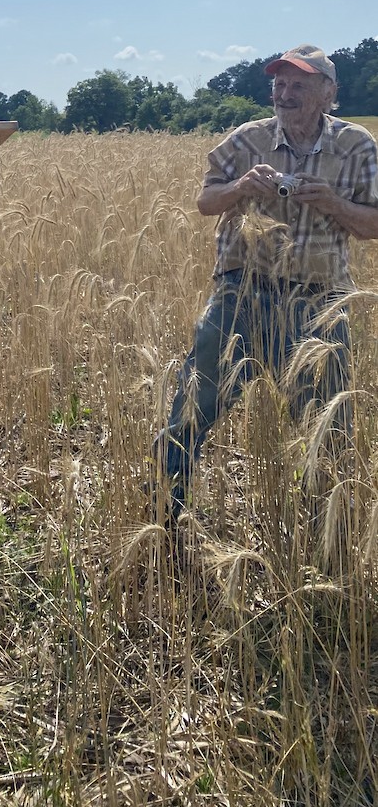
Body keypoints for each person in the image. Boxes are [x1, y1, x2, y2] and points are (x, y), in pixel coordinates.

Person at [154, 44, 378, 520]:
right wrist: (240, 188)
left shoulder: (356, 145)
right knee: (193, 405)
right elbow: (205, 202)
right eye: (279, 83)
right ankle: (165, 517)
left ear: (328, 93)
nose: (285, 93)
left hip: (319, 301)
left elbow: (372, 224)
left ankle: (328, 531)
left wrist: (333, 203)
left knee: (328, 426)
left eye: (299, 84)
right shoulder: (246, 139)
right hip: (241, 294)